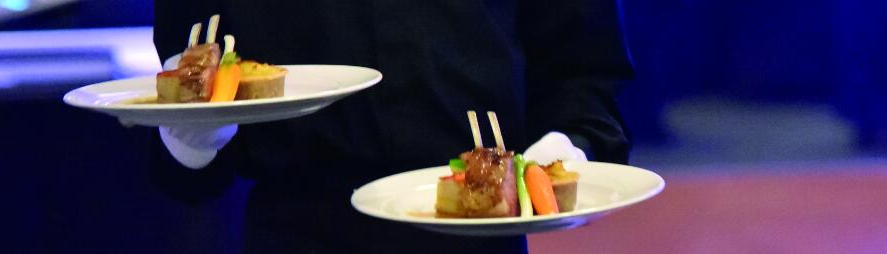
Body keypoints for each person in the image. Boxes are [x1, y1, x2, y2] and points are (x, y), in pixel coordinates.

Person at [149, 0, 634, 253]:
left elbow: (583, 66)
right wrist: (191, 142)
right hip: (296, 228)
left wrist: (571, 142)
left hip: (479, 229)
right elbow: (187, 58)